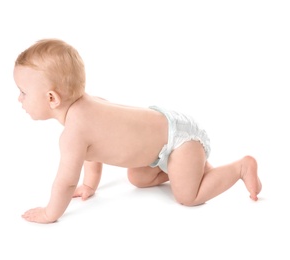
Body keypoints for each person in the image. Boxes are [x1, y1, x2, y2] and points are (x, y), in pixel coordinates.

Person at [14, 38, 262, 224]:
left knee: (188, 196)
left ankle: (240, 168)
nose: (19, 98)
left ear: (51, 98)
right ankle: (190, 170)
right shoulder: (85, 109)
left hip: (179, 141)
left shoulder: (72, 134)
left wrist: (50, 213)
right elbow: (92, 155)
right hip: (163, 141)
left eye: (23, 92)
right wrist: (89, 185)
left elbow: (66, 183)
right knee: (137, 178)